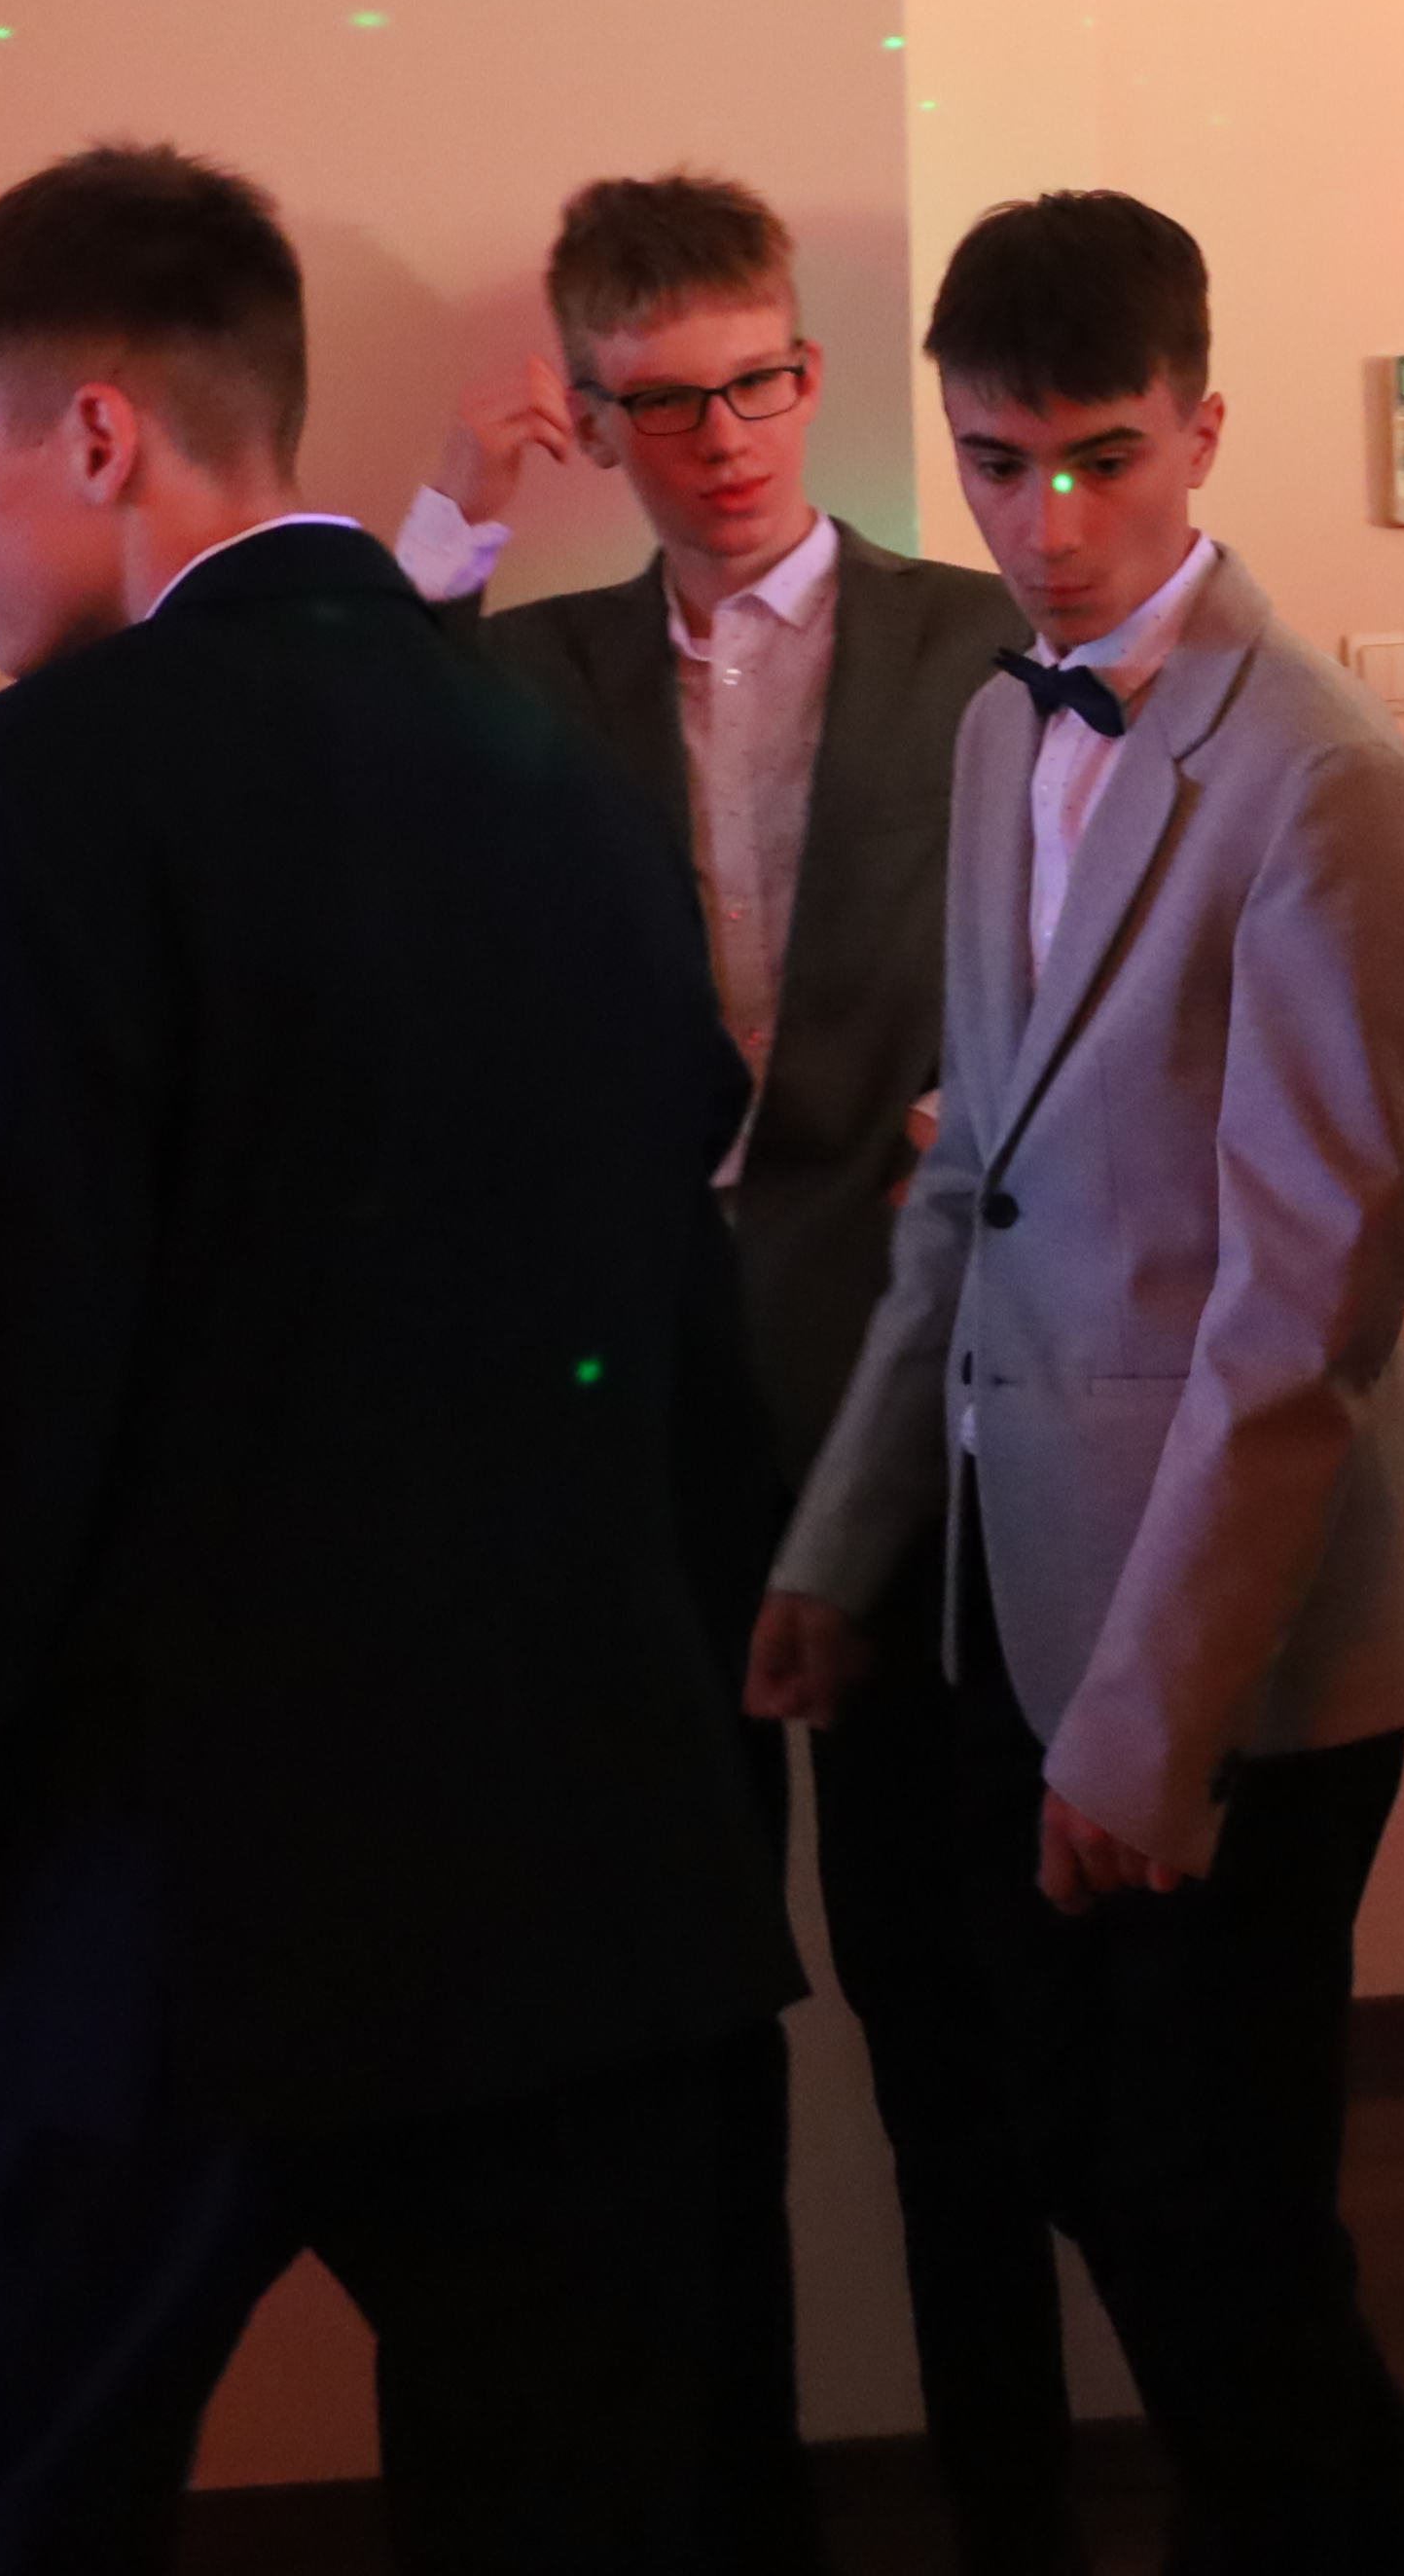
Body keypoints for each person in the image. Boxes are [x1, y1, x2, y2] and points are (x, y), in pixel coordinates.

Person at [0, 144, 800, 2575]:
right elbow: (672, 1343)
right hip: (584, 1888)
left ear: (100, 432)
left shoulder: (23, 798)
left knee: (24, 2526)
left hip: (174, 1907)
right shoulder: (565, 774)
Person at [749, 189, 1404, 2576]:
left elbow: (1307, 1309)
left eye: (1101, 458)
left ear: (1205, 430)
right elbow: (966, 1186)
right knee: (1092, 2158)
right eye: (997, 463)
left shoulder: (1327, 779)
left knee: (1202, 2207)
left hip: (1242, 1646)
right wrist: (845, 1542)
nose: (1047, 523)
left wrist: (1146, 1729)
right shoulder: (999, 727)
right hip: (1011, 1581)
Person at [392, 169, 1075, 2576]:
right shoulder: (516, 673)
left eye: (762, 381)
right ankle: (730, 2518)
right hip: (643, 1426)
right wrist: (444, 531)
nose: (727, 437)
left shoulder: (981, 635)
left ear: (813, 368)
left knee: (947, 2006)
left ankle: (1017, 2515)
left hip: (922, 1410)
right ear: (595, 418)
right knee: (689, 2023)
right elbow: (335, 798)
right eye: (664, 403)